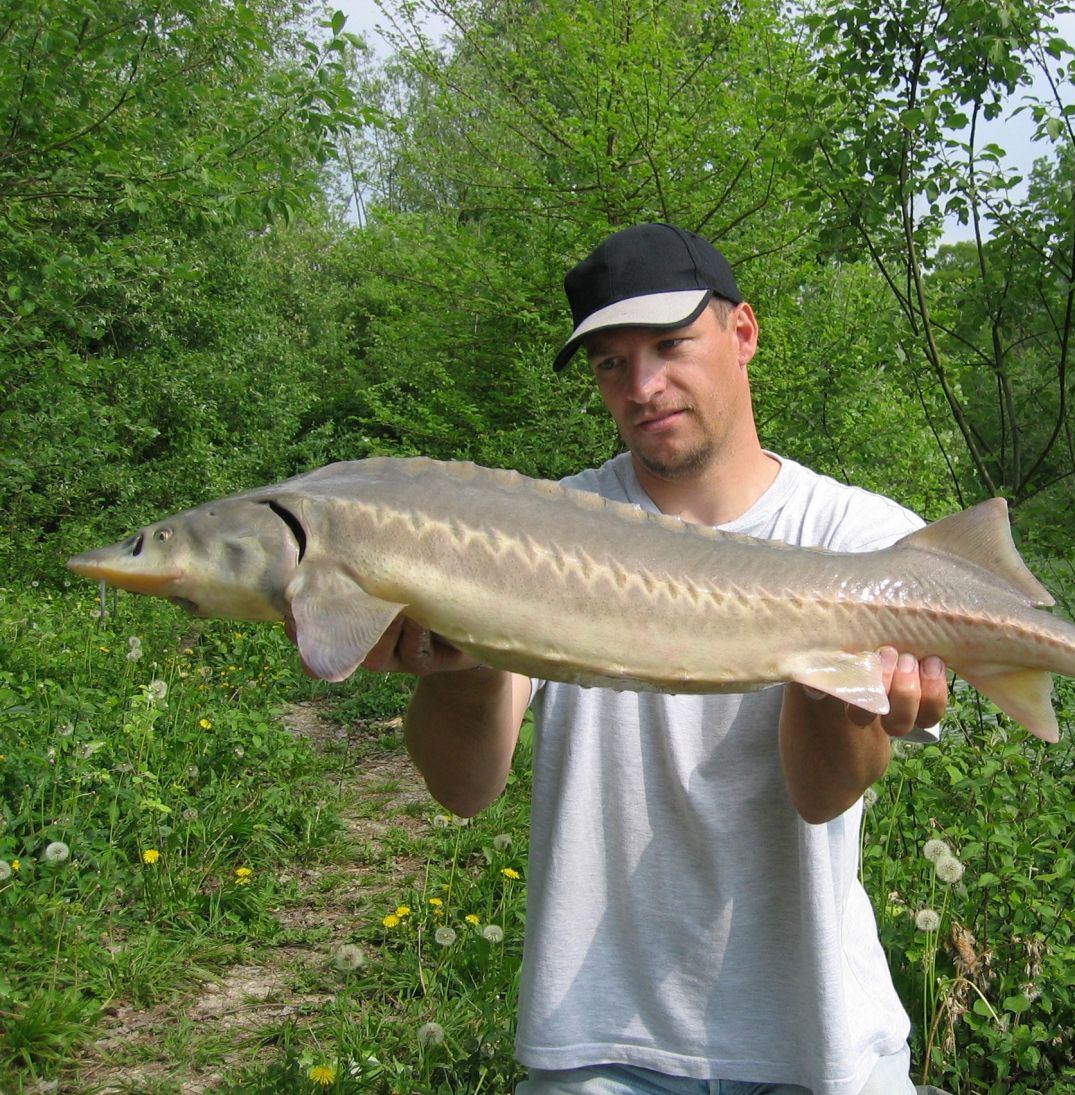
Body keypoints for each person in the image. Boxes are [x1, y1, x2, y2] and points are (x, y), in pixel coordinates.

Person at [323, 223, 949, 1094]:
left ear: (743, 333)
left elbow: (822, 794)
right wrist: (456, 662)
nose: (643, 386)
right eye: (611, 363)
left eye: (668, 344)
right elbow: (464, 788)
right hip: (598, 1048)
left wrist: (847, 693)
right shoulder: (533, 528)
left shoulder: (858, 539)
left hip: (820, 1043)